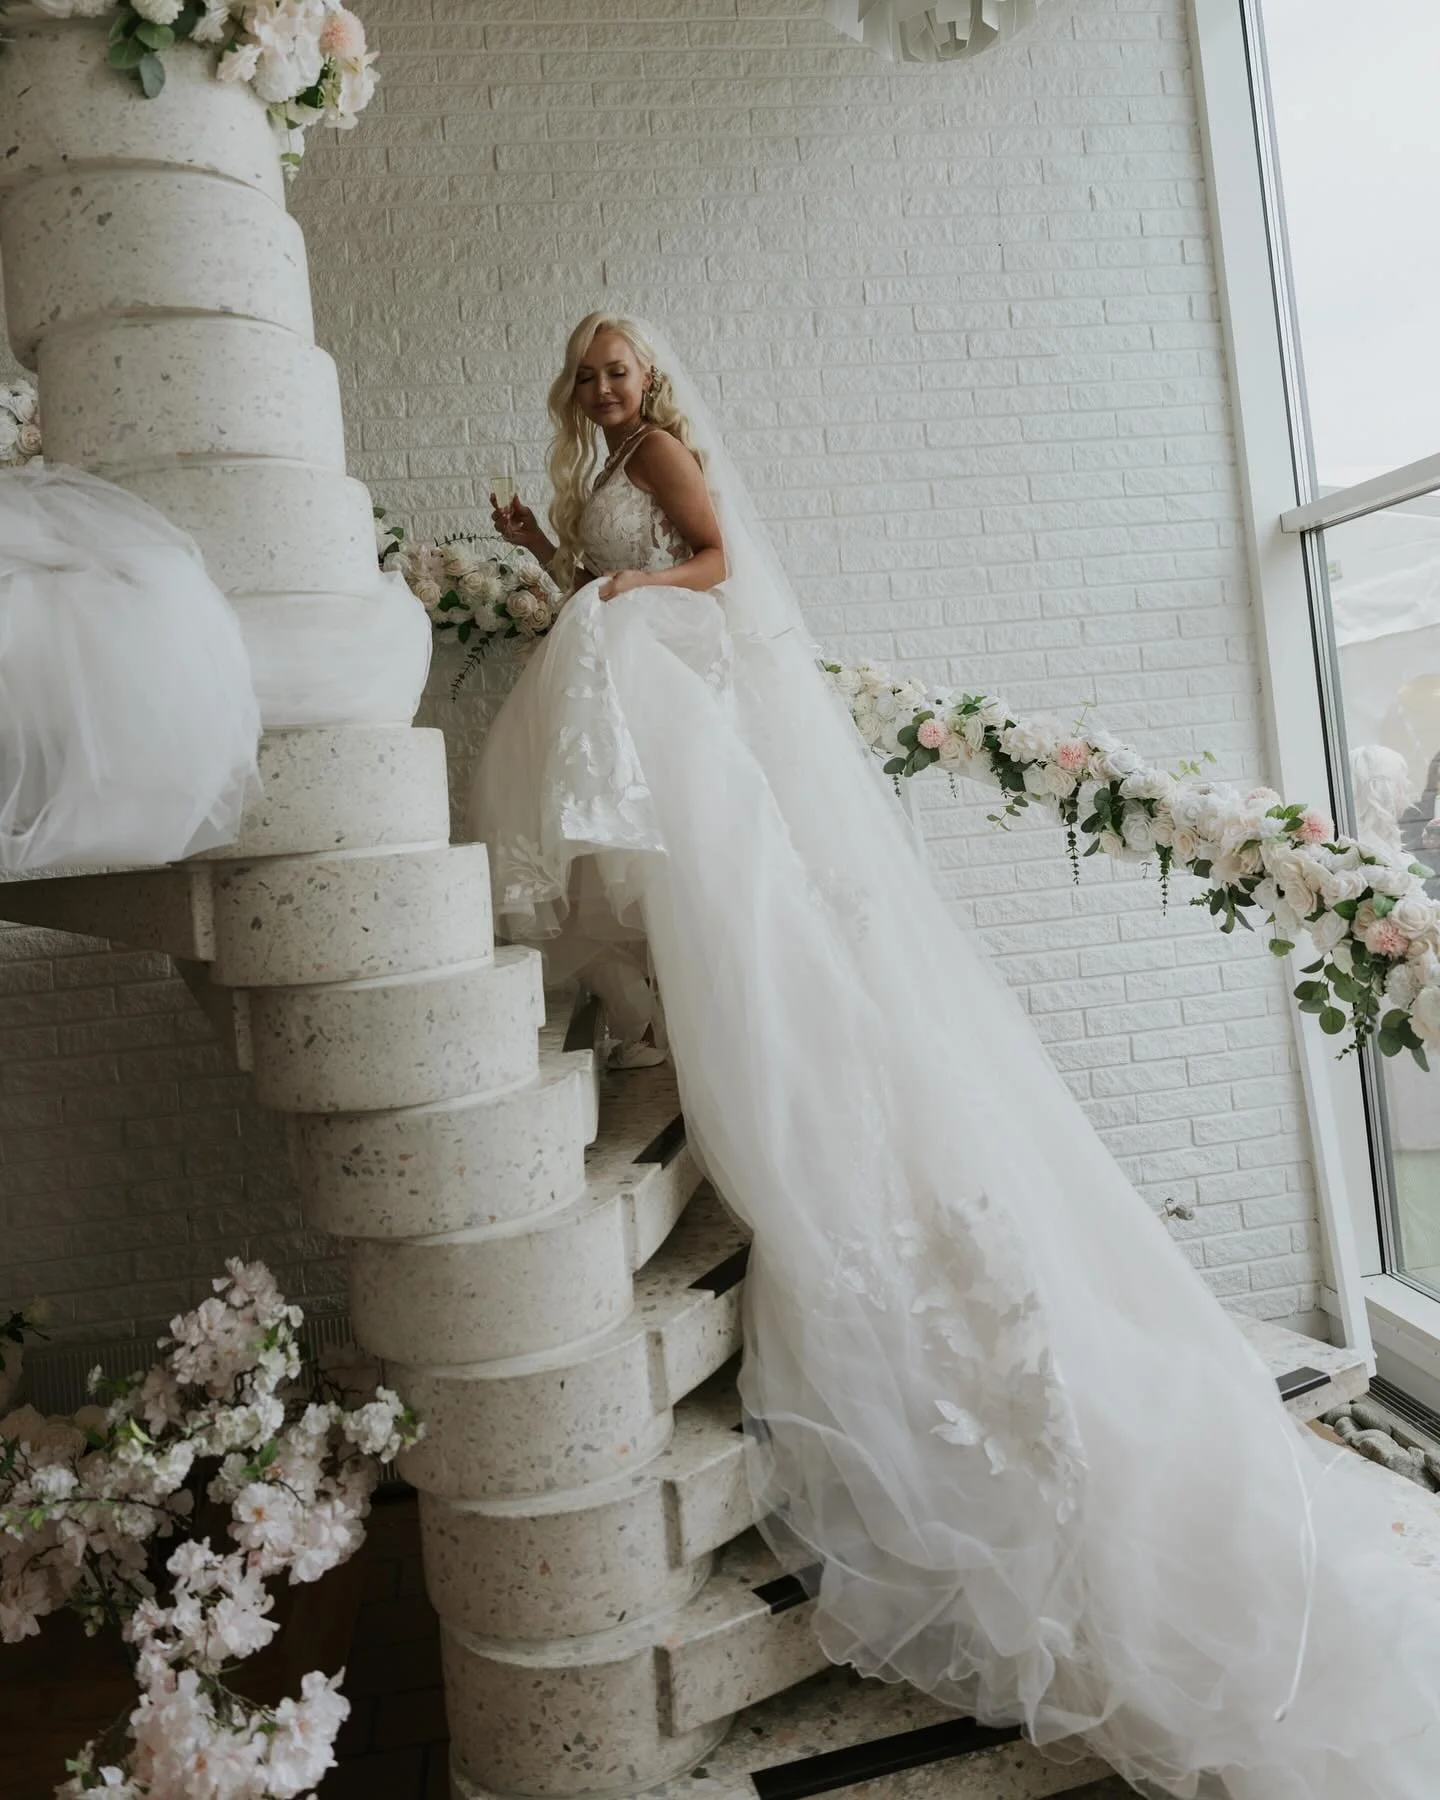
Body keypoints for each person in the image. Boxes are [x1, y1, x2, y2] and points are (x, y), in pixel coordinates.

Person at [470, 313, 1440, 1799]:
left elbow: (715, 570)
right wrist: (552, 552)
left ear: (646, 380)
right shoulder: (604, 463)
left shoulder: (662, 449)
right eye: (588, 371)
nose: (606, 387)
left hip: (686, 701)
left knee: (735, 921)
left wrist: (620, 580)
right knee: (685, 911)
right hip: (646, 688)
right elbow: (611, 593)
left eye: (619, 369)